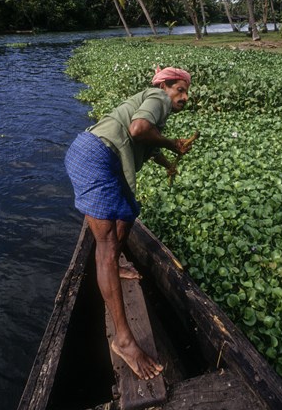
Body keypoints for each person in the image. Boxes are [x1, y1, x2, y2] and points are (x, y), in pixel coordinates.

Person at [65, 66, 195, 380]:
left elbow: (146, 144)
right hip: (94, 158)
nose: (185, 97)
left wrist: (167, 163)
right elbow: (138, 129)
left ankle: (116, 264)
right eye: (180, 90)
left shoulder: (155, 110)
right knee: (106, 247)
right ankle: (123, 341)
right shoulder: (157, 98)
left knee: (128, 210)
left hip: (99, 157)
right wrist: (173, 144)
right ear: (166, 87)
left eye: (186, 92)